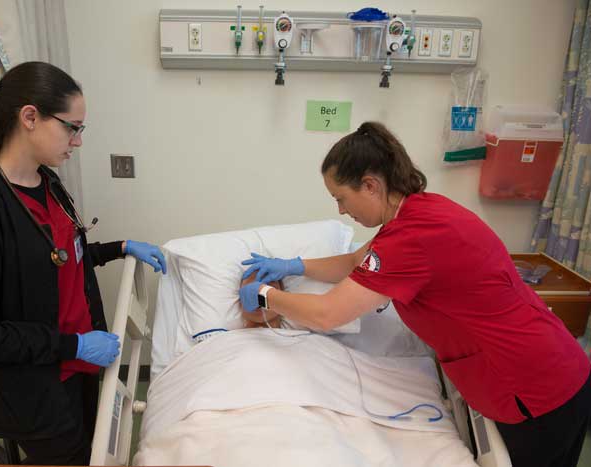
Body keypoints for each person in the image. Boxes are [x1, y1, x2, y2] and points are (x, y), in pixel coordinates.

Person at [239, 121, 591, 467]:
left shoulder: (411, 238)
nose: (341, 211)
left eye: (341, 198)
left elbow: (329, 313)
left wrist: (266, 295)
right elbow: (355, 262)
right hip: (549, 364)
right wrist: (293, 265)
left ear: (370, 185)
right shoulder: (418, 212)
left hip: (535, 388)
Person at [0, 61, 166, 465]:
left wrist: (120, 247)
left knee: (84, 451)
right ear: (30, 117)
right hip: (32, 384)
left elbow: (61, 260)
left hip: (78, 364)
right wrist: (73, 345)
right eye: (71, 127)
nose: (78, 141)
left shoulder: (48, 183)